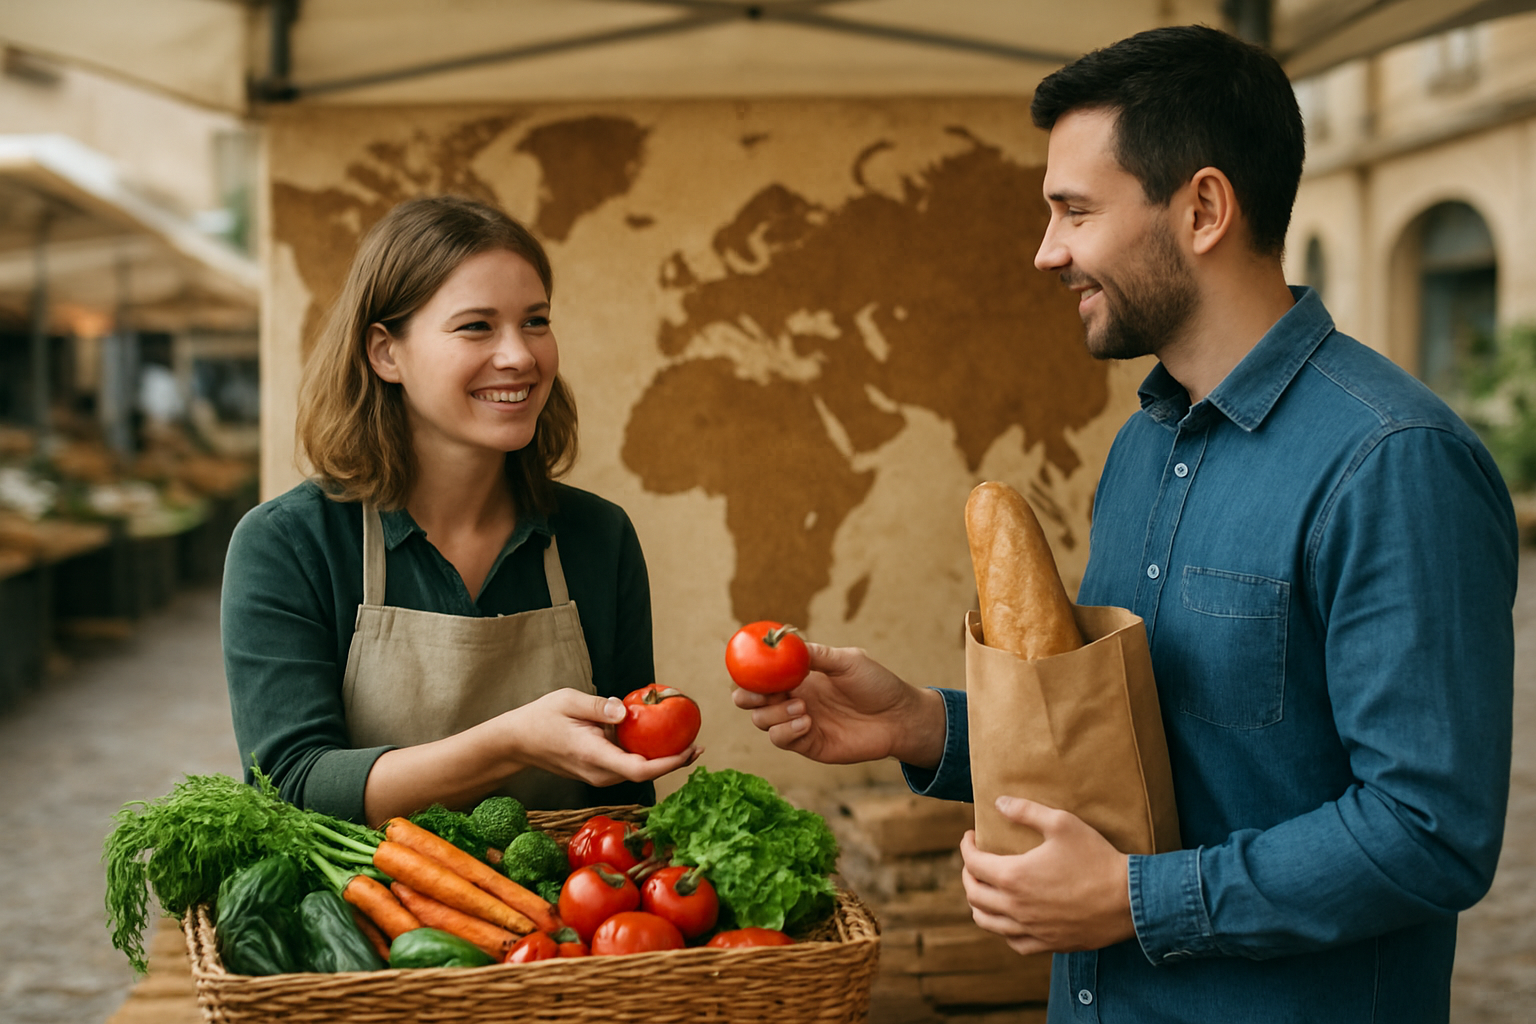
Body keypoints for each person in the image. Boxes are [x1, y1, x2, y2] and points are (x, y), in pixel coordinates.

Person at [735, 25, 1517, 1023]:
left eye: (1074, 211)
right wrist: (922, 725)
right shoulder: (1144, 446)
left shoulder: (1393, 461)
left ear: (1201, 209)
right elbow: (1144, 748)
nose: (1046, 251)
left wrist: (1134, 900)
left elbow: (1429, 829)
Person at [223, 195, 697, 827]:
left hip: (566, 916)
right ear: (386, 353)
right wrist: (506, 744)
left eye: (535, 321)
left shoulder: (596, 537)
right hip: (361, 916)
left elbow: (624, 799)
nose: (521, 357)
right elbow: (290, 786)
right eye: (477, 326)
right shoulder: (290, 544)